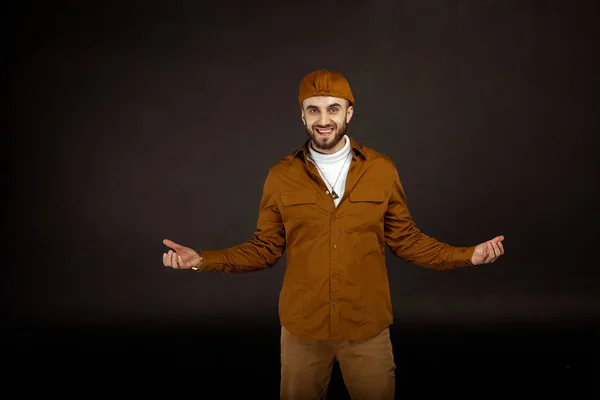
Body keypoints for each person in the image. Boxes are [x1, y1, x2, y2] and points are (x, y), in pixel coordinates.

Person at [162, 69, 505, 400]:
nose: (323, 119)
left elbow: (407, 240)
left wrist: (467, 255)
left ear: (349, 113)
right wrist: (202, 260)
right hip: (303, 331)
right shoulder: (281, 176)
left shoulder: (381, 169)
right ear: (302, 116)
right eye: (314, 110)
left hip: (367, 327)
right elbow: (264, 249)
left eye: (333, 109)